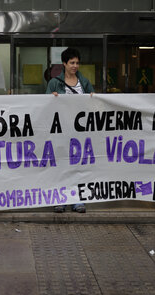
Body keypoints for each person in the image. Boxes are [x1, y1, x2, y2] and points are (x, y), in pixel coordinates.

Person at [45, 47, 94, 213]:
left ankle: (77, 199)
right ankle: (60, 198)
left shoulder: (85, 82)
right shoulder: (54, 83)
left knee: (78, 166)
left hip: (80, 132)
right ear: (64, 64)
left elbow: (93, 106)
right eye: (72, 62)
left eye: (77, 63)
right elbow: (44, 106)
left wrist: (93, 98)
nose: (75, 66)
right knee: (61, 165)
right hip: (61, 132)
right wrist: (51, 99)